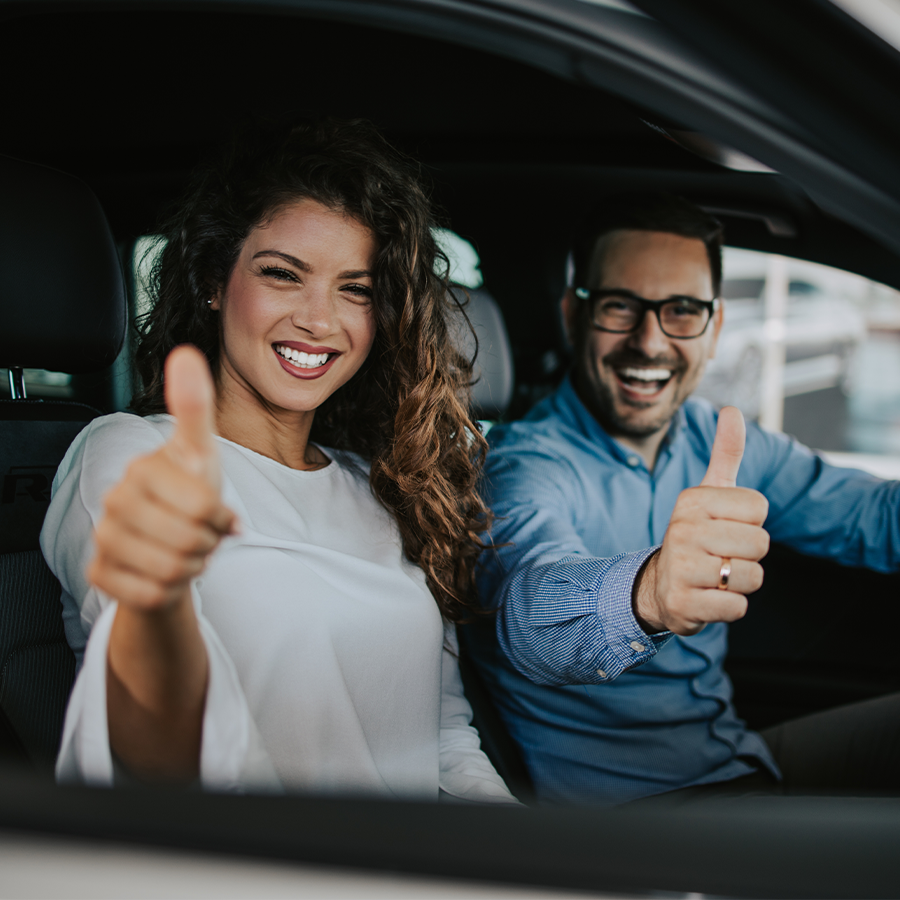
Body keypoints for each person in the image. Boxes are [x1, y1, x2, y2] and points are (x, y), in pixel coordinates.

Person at [41, 118, 516, 803]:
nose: (320, 320)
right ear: (212, 282)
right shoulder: (133, 456)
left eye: (354, 289)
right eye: (282, 275)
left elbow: (442, 738)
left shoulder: (382, 486)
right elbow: (162, 753)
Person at [467, 191, 900, 806]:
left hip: (736, 758)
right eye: (620, 306)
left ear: (715, 326)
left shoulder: (713, 437)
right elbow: (528, 613)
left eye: (682, 310)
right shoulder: (524, 466)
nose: (650, 341)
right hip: (651, 819)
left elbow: (873, 518)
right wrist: (649, 593)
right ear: (573, 315)